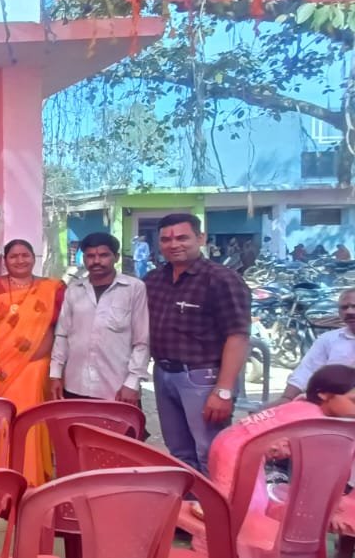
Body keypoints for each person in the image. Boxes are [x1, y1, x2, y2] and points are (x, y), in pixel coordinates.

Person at [206, 364, 355, 551]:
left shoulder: (303, 404)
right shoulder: (317, 424)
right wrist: (330, 513)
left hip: (231, 443)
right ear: (324, 394)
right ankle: (224, 549)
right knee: (242, 514)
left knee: (245, 507)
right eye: (353, 401)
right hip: (235, 453)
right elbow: (319, 478)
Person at [145, 213, 250, 474]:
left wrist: (223, 391)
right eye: (166, 239)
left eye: (182, 238)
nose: (174, 244)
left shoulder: (221, 279)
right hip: (163, 375)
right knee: (179, 453)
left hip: (203, 379)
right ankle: (190, 499)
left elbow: (238, 335)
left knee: (211, 452)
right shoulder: (154, 280)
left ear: (200, 238)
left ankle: (216, 500)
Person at [0, 239, 65, 485]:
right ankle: (0, 475)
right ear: (5, 260)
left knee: (30, 419)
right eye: (14, 256)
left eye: (25, 255)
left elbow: (63, 331)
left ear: (34, 257)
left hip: (36, 368)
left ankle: (31, 477)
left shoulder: (52, 289)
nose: (20, 260)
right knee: (3, 419)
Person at [50, 233, 150, 406]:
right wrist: (55, 374)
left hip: (117, 388)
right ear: (84, 258)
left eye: (103, 255)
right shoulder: (74, 290)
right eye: (90, 256)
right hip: (75, 385)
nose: (96, 261)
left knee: (119, 426)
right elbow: (62, 335)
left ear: (116, 257)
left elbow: (142, 341)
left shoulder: (134, 288)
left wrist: (132, 383)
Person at [278, 288, 355, 401]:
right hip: (334, 404)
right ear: (339, 312)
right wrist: (286, 398)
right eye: (344, 307)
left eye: (354, 306)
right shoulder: (329, 339)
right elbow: (306, 370)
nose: (349, 312)